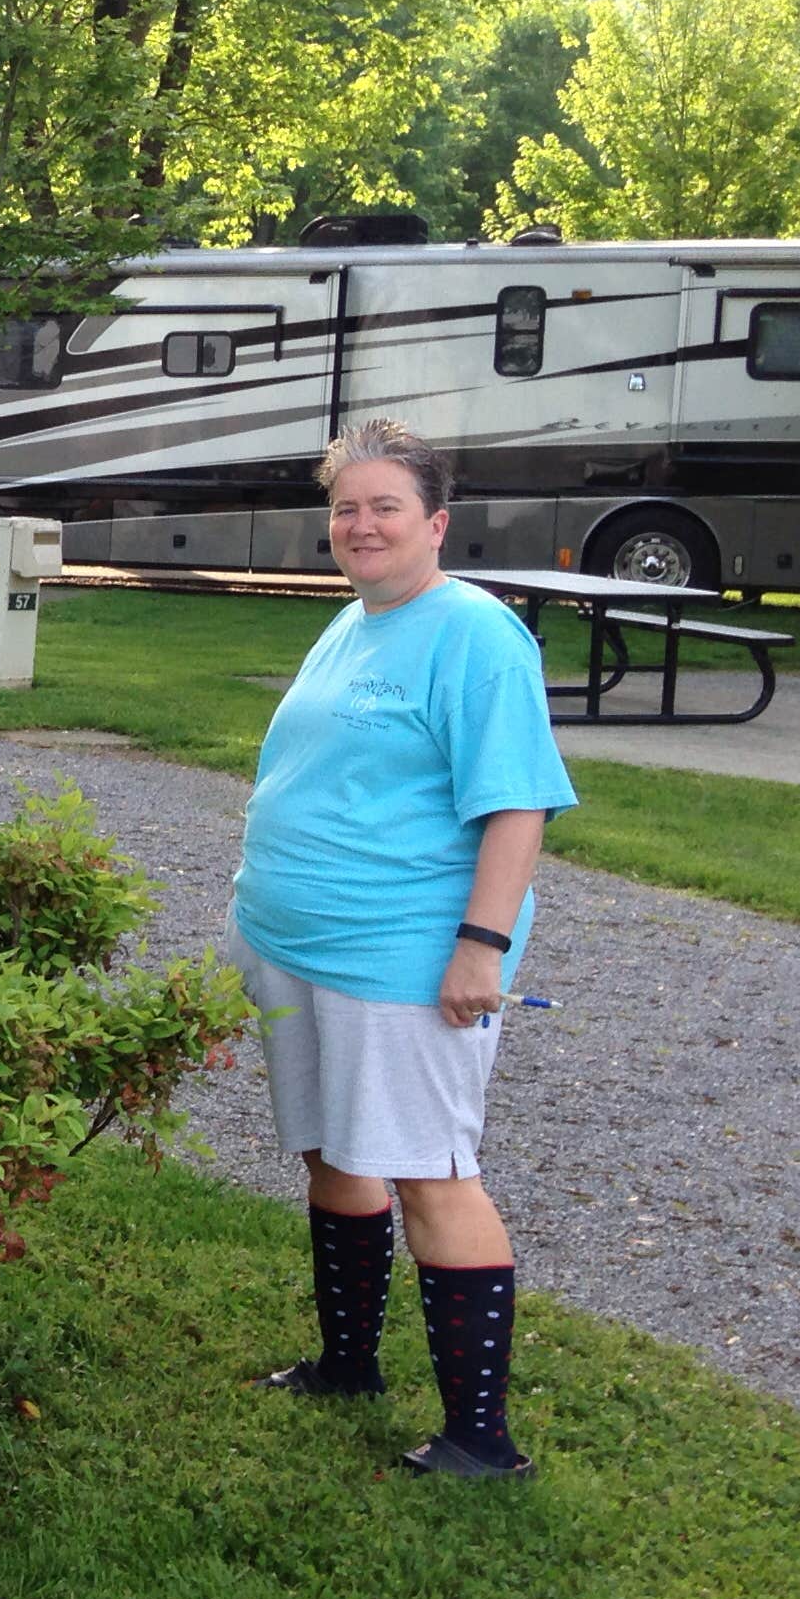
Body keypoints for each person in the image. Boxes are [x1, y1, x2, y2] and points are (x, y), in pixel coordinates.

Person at [227, 419, 577, 1478]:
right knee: (335, 1150)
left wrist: (482, 947)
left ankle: (481, 1436)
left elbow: (519, 804)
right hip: (297, 940)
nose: (361, 525)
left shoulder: (473, 633)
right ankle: (349, 1364)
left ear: (436, 521)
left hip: (402, 956)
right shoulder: (354, 622)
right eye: (346, 508)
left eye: (385, 506)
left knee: (432, 1173)